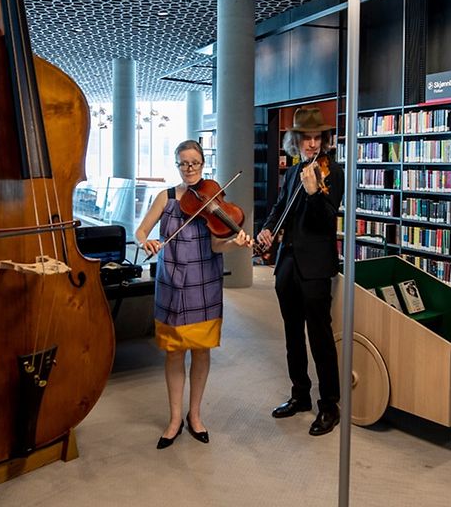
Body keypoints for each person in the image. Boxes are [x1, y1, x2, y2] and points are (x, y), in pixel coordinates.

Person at [134, 140, 251, 449]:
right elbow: (141, 231)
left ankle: (195, 416)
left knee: (201, 350)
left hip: (204, 281)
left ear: (203, 164)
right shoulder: (166, 197)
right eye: (183, 163)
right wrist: (145, 242)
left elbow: (216, 246)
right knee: (174, 351)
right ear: (177, 165)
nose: (189, 169)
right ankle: (174, 419)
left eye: (194, 163)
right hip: (172, 281)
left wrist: (234, 243)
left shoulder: (213, 197)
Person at [255, 106, 345, 437]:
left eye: (316, 138)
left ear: (324, 140)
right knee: (293, 334)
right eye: (305, 138)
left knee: (320, 337)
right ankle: (300, 395)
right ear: (296, 141)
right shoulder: (294, 172)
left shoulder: (332, 172)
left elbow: (326, 220)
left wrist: (312, 194)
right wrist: (267, 230)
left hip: (317, 267)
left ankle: (329, 405)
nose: (311, 144)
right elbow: (279, 208)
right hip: (288, 264)